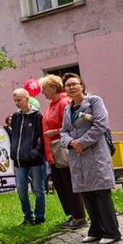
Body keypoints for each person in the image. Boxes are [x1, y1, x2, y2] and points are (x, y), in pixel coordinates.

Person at [60, 73, 121, 244]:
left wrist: (82, 142)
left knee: (101, 192)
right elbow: (63, 131)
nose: (71, 87)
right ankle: (95, 230)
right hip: (77, 156)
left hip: (95, 154)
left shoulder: (94, 101)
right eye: (68, 85)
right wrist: (71, 142)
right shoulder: (68, 109)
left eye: (74, 84)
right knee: (87, 193)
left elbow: (101, 124)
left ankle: (111, 231)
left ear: (82, 85)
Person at [40, 74, 86, 229]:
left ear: (53, 87)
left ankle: (79, 217)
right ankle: (73, 215)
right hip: (53, 152)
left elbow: (73, 126)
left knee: (69, 184)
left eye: (44, 89)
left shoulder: (64, 103)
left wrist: (54, 132)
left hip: (64, 151)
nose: (42, 92)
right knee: (61, 185)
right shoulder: (51, 104)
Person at [10, 88, 47, 225]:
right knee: (21, 190)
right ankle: (27, 216)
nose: (16, 103)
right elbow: (14, 137)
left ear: (27, 99)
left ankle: (39, 217)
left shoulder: (37, 116)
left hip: (35, 160)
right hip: (19, 161)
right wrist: (13, 152)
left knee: (38, 189)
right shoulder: (15, 117)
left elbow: (41, 138)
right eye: (15, 100)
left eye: (19, 100)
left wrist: (35, 153)